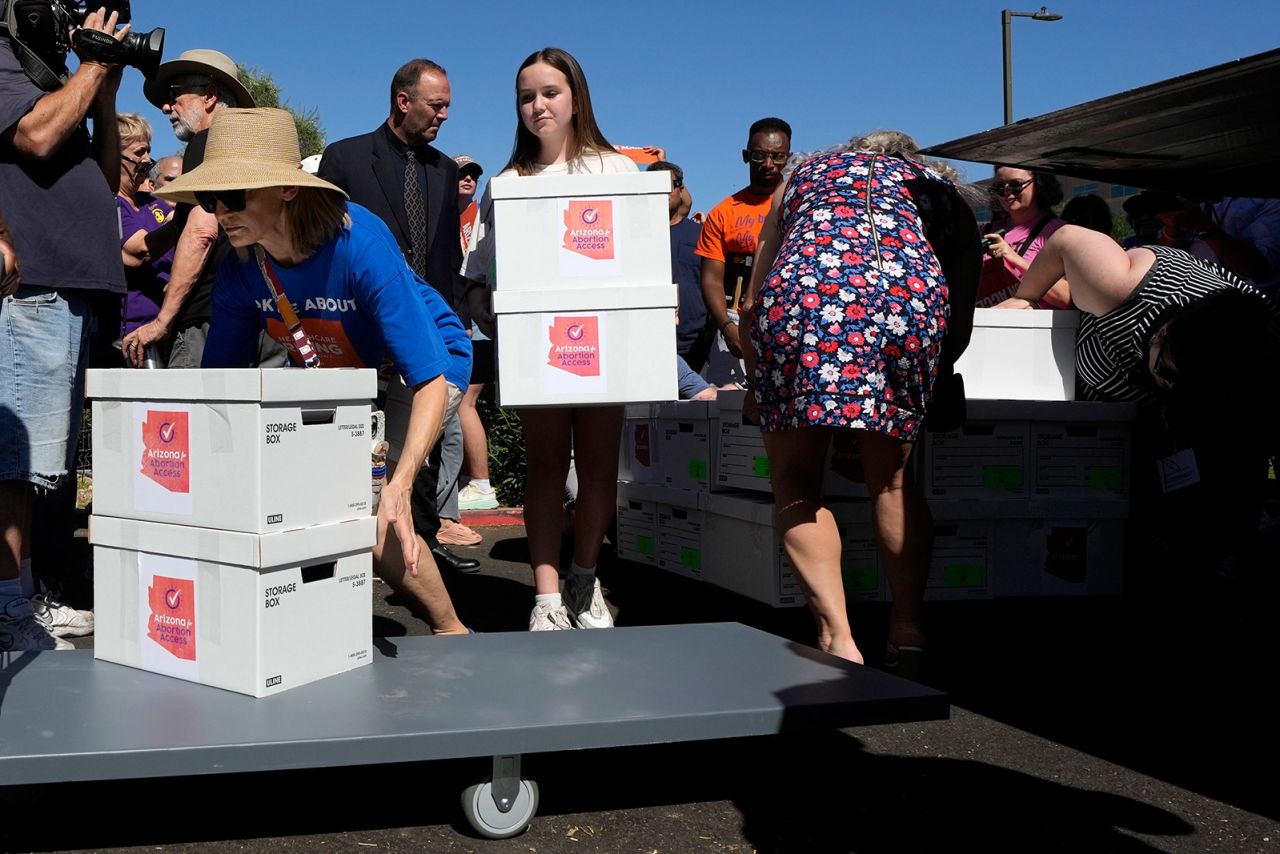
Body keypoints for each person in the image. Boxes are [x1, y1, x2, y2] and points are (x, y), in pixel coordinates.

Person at [154, 107, 474, 635]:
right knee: (315, 494)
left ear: (286, 191)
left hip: (421, 368)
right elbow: (222, 389)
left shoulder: (359, 244)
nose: (219, 213)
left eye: (233, 198)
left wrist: (400, 482)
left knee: (373, 505)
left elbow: (429, 380)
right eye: (210, 200)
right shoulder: (240, 267)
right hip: (340, 370)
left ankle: (451, 629)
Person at [742, 137, 979, 665]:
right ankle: (908, 628)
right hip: (905, 301)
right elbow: (958, 323)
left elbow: (756, 297)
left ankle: (838, 638)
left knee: (796, 478)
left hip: (806, 298)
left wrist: (760, 384)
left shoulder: (805, 177)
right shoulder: (943, 193)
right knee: (893, 483)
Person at [464, 47, 635, 631]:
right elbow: (479, 275)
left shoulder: (618, 171)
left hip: (606, 345)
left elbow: (637, 259)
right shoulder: (507, 181)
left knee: (597, 467)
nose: (538, 105)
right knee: (542, 467)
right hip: (539, 348)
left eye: (550, 92)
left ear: (576, 97)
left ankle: (585, 580)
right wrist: (497, 312)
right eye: (526, 96)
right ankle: (544, 597)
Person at [319, 58, 480, 573]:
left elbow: (446, 260)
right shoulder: (344, 159)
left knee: (426, 443)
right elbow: (325, 248)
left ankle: (423, 548)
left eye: (449, 106)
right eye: (437, 105)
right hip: (357, 333)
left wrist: (446, 320)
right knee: (351, 444)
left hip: (423, 326)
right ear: (402, 101)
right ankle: (348, 551)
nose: (445, 115)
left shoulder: (445, 171)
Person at [1, 9, 129, 650]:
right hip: (35, 286)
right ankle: (9, 611)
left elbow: (105, 180)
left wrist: (105, 93)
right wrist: (93, 63)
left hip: (77, 288)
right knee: (17, 466)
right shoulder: (0, 54)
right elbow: (38, 138)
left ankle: (25, 598)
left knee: (45, 468)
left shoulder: (66, 82)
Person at [121, 49, 263, 369]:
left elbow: (202, 231)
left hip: (210, 320)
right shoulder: (255, 154)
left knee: (193, 417)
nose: (167, 107)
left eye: (175, 95)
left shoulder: (207, 142)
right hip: (264, 317)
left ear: (209, 97)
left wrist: (163, 320)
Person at [697, 118, 792, 385]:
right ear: (746, 156)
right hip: (736, 321)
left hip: (788, 320)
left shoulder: (800, 205)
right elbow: (711, 278)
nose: (768, 164)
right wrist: (727, 327)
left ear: (788, 158)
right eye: (759, 155)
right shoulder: (723, 212)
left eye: (777, 156)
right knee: (730, 410)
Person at [453, 154, 500, 512]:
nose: (468, 179)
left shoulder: (479, 218)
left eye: (473, 175)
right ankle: (472, 481)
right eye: (461, 174)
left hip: (477, 326)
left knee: (464, 402)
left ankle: (481, 484)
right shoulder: (449, 218)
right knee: (459, 403)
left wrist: (476, 314)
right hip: (462, 322)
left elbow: (480, 271)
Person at [116, 113, 177, 357]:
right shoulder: (111, 204)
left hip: (166, 329)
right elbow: (138, 251)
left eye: (149, 151)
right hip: (131, 336)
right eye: (139, 152)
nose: (148, 160)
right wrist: (185, 219)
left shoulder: (152, 202)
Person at [647, 160, 710, 372]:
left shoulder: (702, 235)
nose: (663, 192)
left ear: (680, 189)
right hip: (648, 343)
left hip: (697, 347)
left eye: (669, 185)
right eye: (655, 185)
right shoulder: (633, 236)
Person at [979, 166, 1066, 308]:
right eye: (999, 187)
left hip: (1032, 327)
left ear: (1039, 184)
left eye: (1016, 185)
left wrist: (1013, 258)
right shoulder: (983, 232)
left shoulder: (1058, 232)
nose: (1007, 192)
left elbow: (1066, 298)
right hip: (985, 324)